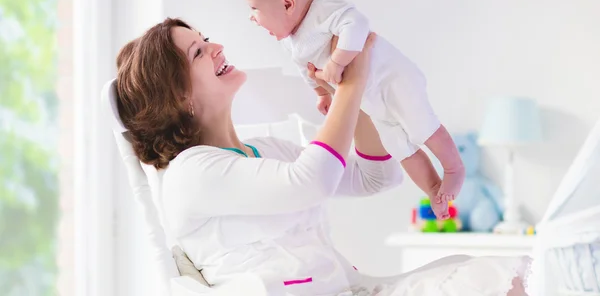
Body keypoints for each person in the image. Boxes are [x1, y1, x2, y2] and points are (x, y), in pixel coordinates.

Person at [115, 17, 530, 295]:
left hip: (349, 288)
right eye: (199, 52)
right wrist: (353, 84)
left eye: (205, 40)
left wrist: (351, 98)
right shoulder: (191, 172)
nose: (217, 46)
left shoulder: (268, 152)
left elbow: (377, 178)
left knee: (492, 273)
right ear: (179, 96)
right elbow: (311, 181)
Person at [243, 0, 464, 218]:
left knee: (422, 127)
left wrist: (336, 62)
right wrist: (322, 93)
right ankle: (433, 190)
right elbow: (307, 70)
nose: (251, 18)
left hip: (391, 79)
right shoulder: (292, 42)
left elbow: (357, 24)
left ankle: (453, 168)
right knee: (400, 147)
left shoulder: (324, 10)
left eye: (254, 9)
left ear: (288, 3)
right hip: (371, 100)